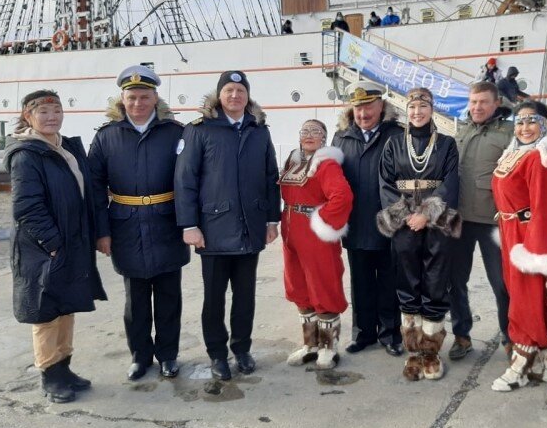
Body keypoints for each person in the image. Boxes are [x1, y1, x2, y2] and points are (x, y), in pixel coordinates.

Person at [175, 71, 281, 381]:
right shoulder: (200, 130)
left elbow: (270, 178)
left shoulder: (259, 131)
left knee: (245, 295)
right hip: (213, 229)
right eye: (229, 90)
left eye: (240, 90)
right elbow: (185, 181)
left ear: (248, 96)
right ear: (219, 95)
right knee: (214, 297)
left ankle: (242, 348)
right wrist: (189, 225)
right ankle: (217, 354)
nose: (235, 96)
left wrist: (271, 220)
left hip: (250, 226)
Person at [4, 90, 107, 403]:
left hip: (70, 243)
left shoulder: (64, 149)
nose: (51, 117)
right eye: (44, 111)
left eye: (56, 110)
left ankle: (65, 368)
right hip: (43, 247)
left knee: (66, 307)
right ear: (28, 116)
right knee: (45, 313)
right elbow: (26, 207)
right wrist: (52, 244)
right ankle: (50, 374)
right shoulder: (27, 155)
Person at [88, 66, 190, 381]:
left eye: (144, 96)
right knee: (136, 301)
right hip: (125, 227)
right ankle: (140, 356)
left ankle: (168, 356)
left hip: (167, 224)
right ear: (122, 99)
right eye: (131, 97)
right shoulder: (107, 136)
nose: (138, 103)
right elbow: (94, 188)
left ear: (155, 97)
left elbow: (189, 181)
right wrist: (101, 232)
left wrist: (190, 224)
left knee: (169, 297)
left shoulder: (175, 132)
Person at [377, 88, 460, 381]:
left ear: (432, 109)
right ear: (406, 110)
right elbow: (385, 184)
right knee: (407, 284)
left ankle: (431, 352)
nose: (417, 112)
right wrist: (407, 216)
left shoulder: (448, 144)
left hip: (436, 223)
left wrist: (427, 213)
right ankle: (413, 351)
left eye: (423, 106)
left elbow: (450, 182)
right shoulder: (393, 144)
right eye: (412, 107)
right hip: (404, 224)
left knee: (435, 284)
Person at [490, 101, 547, 391]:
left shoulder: (540, 158)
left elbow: (544, 208)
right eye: (519, 122)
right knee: (526, 295)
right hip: (510, 229)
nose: (524, 128)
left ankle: (522, 361)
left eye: (531, 122)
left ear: (544, 126)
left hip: (527, 235)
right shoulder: (514, 153)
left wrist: (535, 252)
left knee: (525, 297)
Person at [331, 81, 404, 357]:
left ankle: (390, 334)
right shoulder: (341, 138)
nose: (363, 114)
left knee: (389, 282)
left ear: (381, 106)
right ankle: (363, 334)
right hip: (356, 224)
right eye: (358, 108)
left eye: (369, 107)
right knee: (360, 282)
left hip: (388, 222)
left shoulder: (396, 135)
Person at [280, 120, 353, 370]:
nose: (309, 135)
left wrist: (322, 222)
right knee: (299, 287)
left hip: (315, 236)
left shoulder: (326, 164)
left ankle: (328, 347)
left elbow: (342, 197)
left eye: (316, 132)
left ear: (324, 138)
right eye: (305, 131)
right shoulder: (293, 161)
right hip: (292, 235)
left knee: (324, 287)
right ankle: (310, 345)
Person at [448, 82, 513, 360]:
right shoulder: (460, 131)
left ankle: (511, 338)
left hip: (493, 220)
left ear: (496, 103)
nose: (477, 107)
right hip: (460, 219)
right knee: (455, 282)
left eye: (483, 102)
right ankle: (461, 336)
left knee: (501, 284)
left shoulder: (510, 133)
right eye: (473, 102)